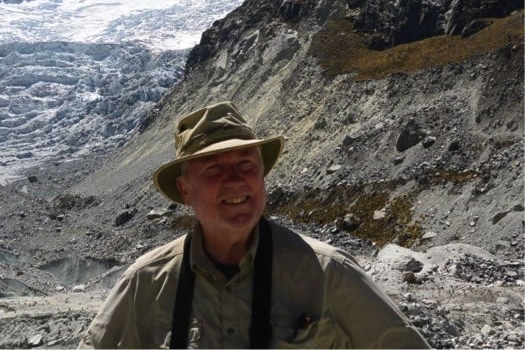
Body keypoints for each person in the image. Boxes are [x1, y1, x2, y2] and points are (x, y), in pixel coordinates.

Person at [79, 101, 430, 349]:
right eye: (214, 169)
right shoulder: (145, 282)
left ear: (262, 176)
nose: (236, 181)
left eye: (246, 165)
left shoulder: (327, 272)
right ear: (185, 190)